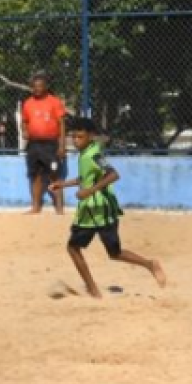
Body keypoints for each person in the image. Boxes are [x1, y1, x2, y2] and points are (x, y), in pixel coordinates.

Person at [49, 117, 166, 298]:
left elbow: (113, 175)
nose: (75, 140)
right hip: (103, 211)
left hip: (95, 210)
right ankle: (150, 264)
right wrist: (63, 184)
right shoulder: (86, 153)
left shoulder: (95, 155)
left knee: (73, 248)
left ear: (90, 136)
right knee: (115, 253)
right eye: (73, 137)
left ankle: (94, 290)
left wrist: (89, 191)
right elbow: (86, 178)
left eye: (80, 137)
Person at [22, 71, 67, 214]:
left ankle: (59, 208)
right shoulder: (28, 103)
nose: (37, 89)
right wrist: (24, 130)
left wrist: (62, 146)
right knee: (35, 176)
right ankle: (36, 207)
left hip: (50, 145)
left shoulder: (55, 102)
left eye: (40, 86)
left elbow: (62, 124)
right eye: (34, 86)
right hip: (33, 145)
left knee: (54, 174)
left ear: (46, 87)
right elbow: (24, 121)